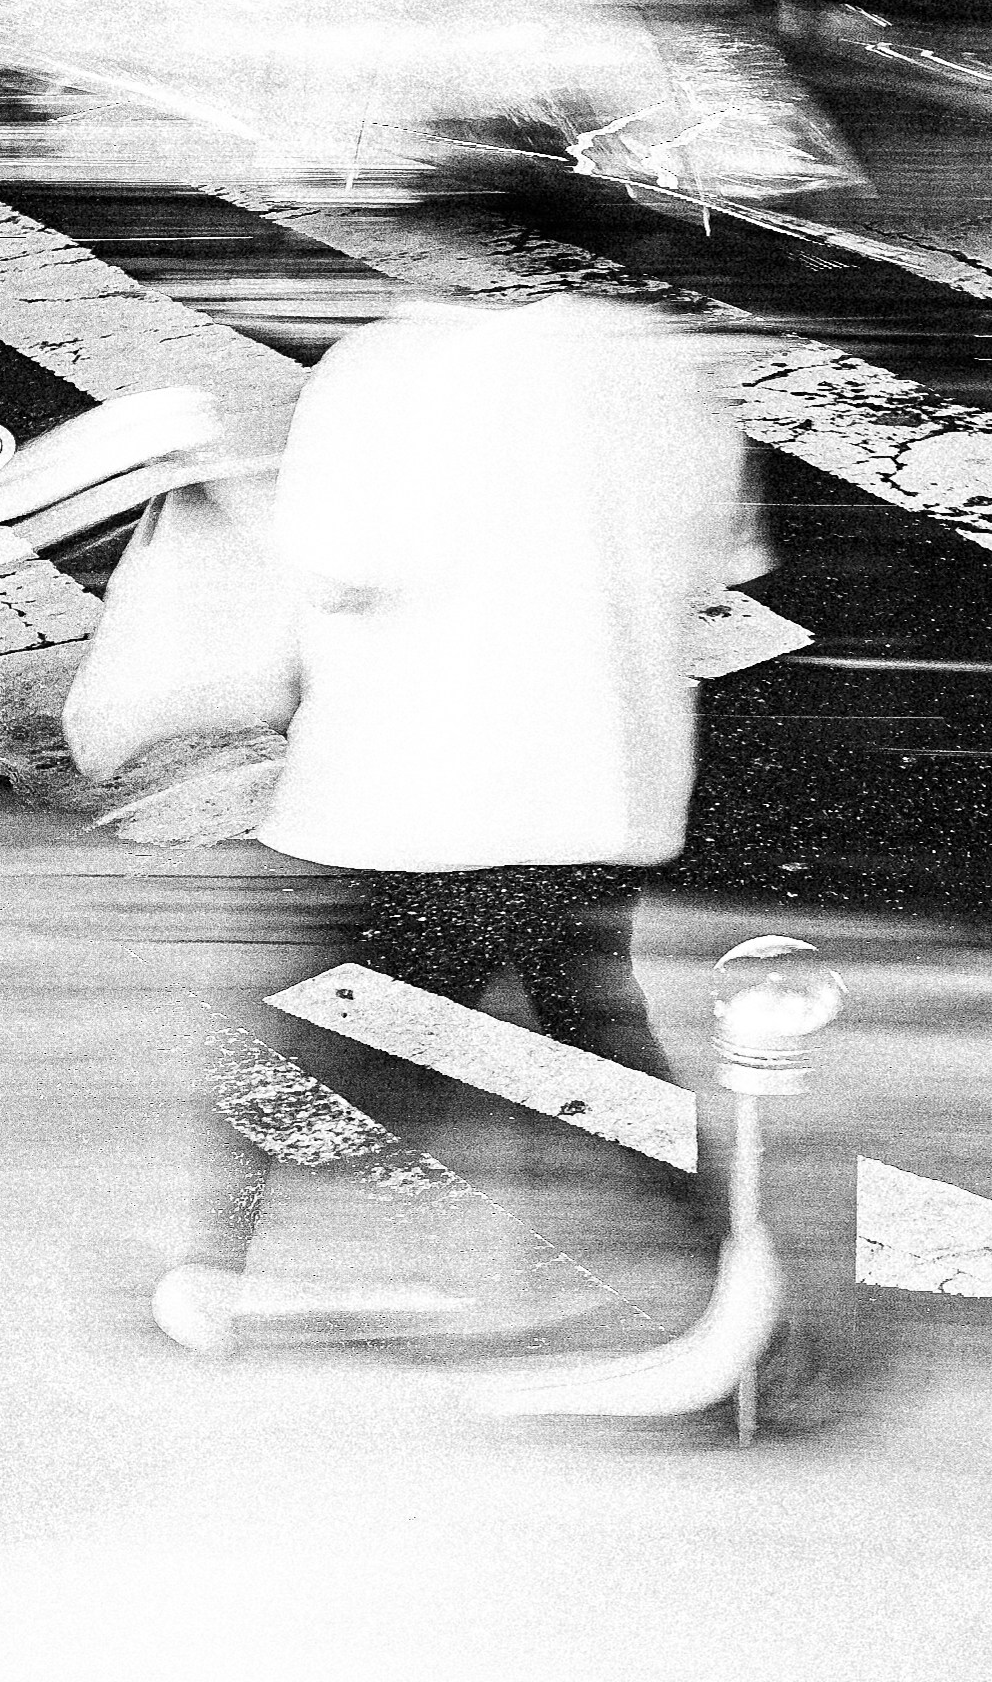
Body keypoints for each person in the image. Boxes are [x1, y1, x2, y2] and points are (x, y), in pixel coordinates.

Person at [153, 288, 772, 1361]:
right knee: (581, 1043)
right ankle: (721, 1284)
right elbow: (722, 571)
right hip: (601, 781)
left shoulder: (392, 368)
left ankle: (217, 1278)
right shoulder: (672, 370)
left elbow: (336, 568)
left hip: (418, 787)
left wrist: (218, 474)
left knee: (305, 1038)